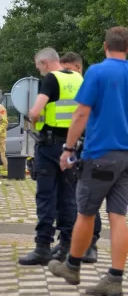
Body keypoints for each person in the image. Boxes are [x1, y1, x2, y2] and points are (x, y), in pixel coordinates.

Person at [49, 27, 128, 296]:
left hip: (100, 154)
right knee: (118, 216)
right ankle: (114, 279)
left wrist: (68, 148)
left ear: (106, 46)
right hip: (126, 157)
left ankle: (72, 267)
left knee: (86, 212)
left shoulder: (96, 72)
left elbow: (81, 112)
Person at [17, 47, 82, 266]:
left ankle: (43, 247)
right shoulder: (77, 78)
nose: (40, 72)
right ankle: (66, 246)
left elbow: (35, 112)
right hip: (72, 146)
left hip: (49, 145)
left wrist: (34, 122)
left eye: (39, 67)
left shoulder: (51, 79)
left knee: (46, 197)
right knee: (68, 197)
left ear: (45, 63)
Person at [51, 51, 99, 263]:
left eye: (69, 70)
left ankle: (91, 244)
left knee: (88, 198)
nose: (65, 75)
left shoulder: (91, 84)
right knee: (70, 196)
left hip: (89, 147)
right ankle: (67, 241)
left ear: (79, 68)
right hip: (73, 145)